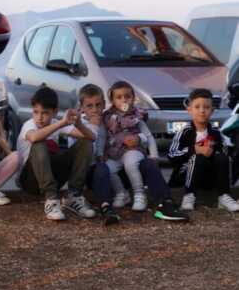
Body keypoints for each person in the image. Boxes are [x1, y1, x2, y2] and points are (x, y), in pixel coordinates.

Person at [79, 83, 186, 224]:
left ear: (104, 104)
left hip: (129, 160)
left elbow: (147, 136)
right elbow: (92, 146)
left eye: (98, 105)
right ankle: (109, 204)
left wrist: (142, 143)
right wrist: (99, 154)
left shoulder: (130, 117)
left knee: (147, 164)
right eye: (89, 106)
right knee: (104, 167)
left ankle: (163, 202)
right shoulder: (82, 123)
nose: (95, 109)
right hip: (103, 172)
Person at [16, 86, 97, 221]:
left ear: (54, 112)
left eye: (45, 113)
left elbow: (92, 137)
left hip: (54, 177)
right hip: (30, 180)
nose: (39, 118)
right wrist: (61, 124)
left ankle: (73, 195)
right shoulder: (29, 125)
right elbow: (34, 137)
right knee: (39, 143)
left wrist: (78, 124)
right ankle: (51, 200)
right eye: (36, 112)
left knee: (85, 142)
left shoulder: (55, 123)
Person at [168, 88, 238, 212]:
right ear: (189, 110)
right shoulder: (184, 132)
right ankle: (189, 195)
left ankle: (224, 196)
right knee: (197, 157)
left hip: (210, 177)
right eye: (197, 107)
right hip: (186, 176)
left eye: (206, 107)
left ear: (212, 110)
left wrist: (214, 152)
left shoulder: (216, 133)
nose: (202, 111)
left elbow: (226, 155)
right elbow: (172, 155)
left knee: (221, 157)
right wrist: (193, 149)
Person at [102, 80, 154, 211]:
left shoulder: (136, 116)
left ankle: (139, 194)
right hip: (115, 152)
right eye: (119, 97)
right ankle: (121, 193)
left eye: (127, 96)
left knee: (130, 164)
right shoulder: (109, 118)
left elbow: (148, 136)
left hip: (133, 149)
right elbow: (104, 136)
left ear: (133, 98)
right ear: (113, 101)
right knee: (107, 169)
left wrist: (154, 154)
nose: (124, 100)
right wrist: (101, 152)